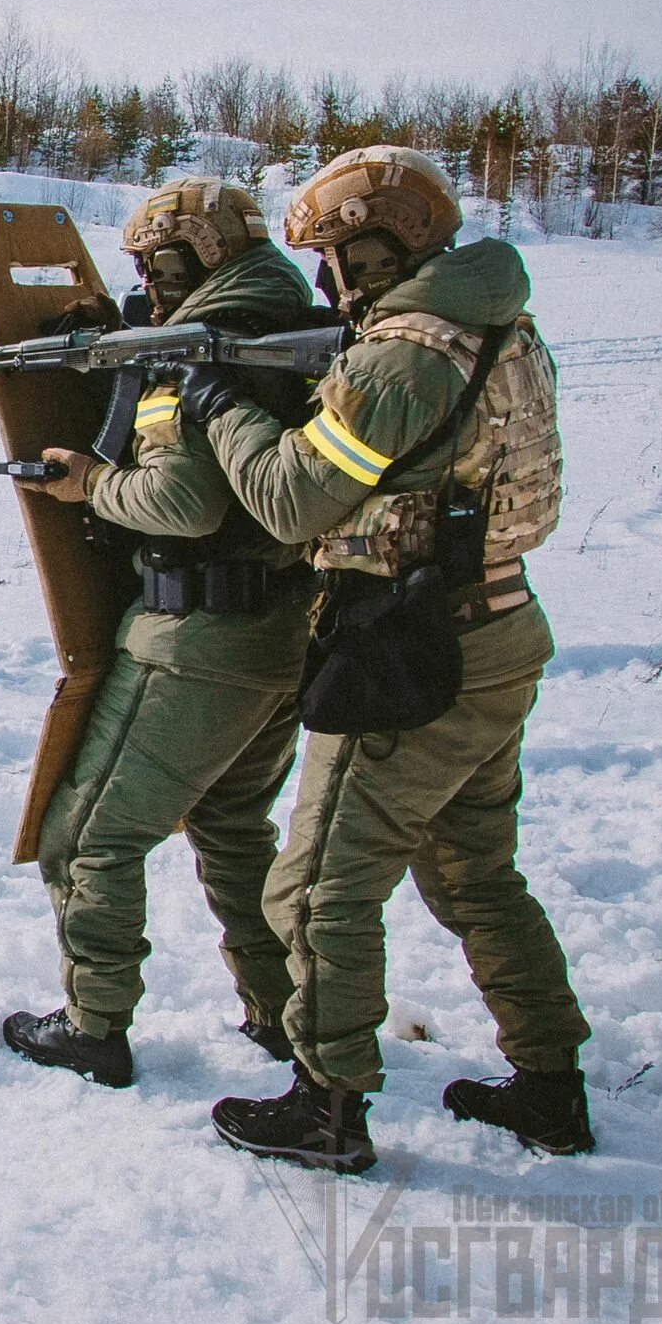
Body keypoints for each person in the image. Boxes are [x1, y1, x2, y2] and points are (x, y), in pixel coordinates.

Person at [185, 146, 589, 1173]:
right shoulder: (494, 315)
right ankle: (549, 1083)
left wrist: (219, 405)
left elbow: (288, 500)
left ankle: (327, 1106)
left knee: (315, 887)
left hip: (410, 651)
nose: (328, 276)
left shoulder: (402, 355)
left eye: (337, 253)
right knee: (471, 871)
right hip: (493, 629)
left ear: (385, 243)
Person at [0, 181, 314, 1088]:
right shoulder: (285, 328)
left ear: (197, 258)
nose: (147, 280)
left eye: (157, 266)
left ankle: (94, 1024)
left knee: (87, 833)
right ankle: (285, 1011)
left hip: (199, 634)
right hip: (282, 629)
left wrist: (88, 486)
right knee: (230, 823)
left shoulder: (198, 354)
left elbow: (182, 499)